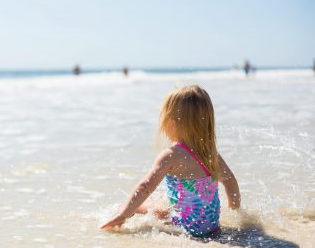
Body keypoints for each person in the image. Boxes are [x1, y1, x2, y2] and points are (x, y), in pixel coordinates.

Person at [101, 85, 240, 237]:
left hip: (185, 228)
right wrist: (235, 211)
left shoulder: (171, 155)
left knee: (136, 208)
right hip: (211, 227)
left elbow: (146, 187)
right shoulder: (211, 155)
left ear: (172, 123)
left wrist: (123, 215)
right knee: (162, 201)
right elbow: (230, 181)